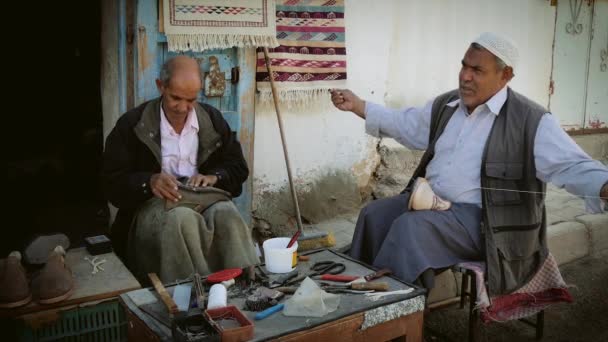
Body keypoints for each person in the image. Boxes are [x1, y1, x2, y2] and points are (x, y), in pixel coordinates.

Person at [331, 32, 608, 296]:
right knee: (374, 215)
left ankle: (393, 315)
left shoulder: (531, 120)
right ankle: (356, 300)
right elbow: (407, 124)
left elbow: (571, 165)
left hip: (487, 224)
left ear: (506, 75)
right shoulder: (448, 104)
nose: (465, 76)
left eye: (477, 70)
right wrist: (360, 106)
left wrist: (604, 186)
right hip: (432, 204)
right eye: (464, 66)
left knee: (410, 229)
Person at [102, 56, 259, 283]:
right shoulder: (132, 125)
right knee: (181, 219)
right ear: (161, 86)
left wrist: (214, 177)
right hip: (152, 207)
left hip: (203, 199)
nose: (183, 108)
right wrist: (149, 181)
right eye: (175, 98)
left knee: (228, 215)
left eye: (191, 100)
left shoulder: (211, 119)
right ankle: (192, 295)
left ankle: (243, 287)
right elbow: (111, 183)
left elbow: (237, 167)